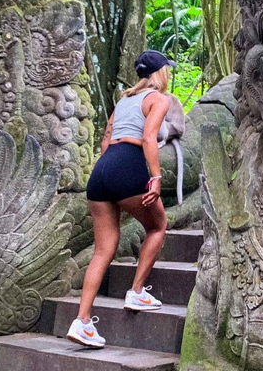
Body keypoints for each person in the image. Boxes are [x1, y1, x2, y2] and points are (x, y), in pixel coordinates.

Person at [66, 50, 175, 349]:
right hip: (128, 164)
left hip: (102, 169)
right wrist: (155, 177)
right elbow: (149, 138)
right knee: (157, 227)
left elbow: (106, 138)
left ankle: (82, 321)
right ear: (161, 73)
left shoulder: (124, 100)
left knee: (103, 250)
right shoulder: (158, 99)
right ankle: (137, 291)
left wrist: (109, 171)